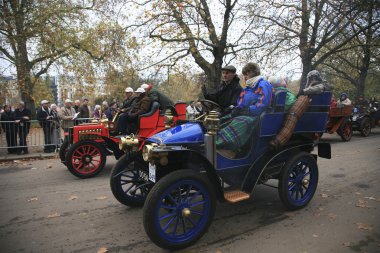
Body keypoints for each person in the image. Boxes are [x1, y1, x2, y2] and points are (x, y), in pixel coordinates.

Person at [216, 63, 273, 157]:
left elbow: (263, 103)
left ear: (252, 73)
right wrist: (237, 109)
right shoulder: (248, 87)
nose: (245, 77)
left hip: (257, 115)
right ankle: (219, 143)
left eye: (246, 74)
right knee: (225, 118)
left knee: (238, 122)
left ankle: (225, 147)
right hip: (246, 113)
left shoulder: (263, 84)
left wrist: (249, 110)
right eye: (244, 74)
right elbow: (240, 101)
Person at [270, 70, 333, 149]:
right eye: (310, 78)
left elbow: (318, 88)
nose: (312, 80)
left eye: (313, 78)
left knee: (292, 115)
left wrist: (303, 91)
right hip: (308, 108)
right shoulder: (312, 86)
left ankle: (278, 141)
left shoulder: (323, 85)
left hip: (312, 110)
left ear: (317, 77)